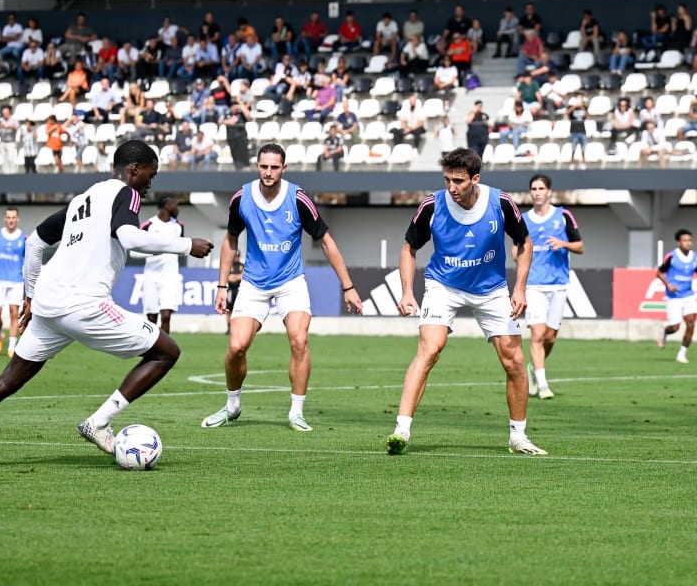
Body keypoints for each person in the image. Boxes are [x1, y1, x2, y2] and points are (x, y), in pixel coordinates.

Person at [0, 141, 214, 469]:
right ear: (133, 169)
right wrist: (186, 244)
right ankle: (99, 422)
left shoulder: (81, 201)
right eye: (149, 174)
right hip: (85, 305)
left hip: (48, 305)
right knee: (167, 352)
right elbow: (129, 237)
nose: (150, 183)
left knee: (7, 380)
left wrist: (29, 296)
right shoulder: (125, 194)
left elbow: (34, 243)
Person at [387, 147, 545, 456]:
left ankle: (518, 436)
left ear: (475, 178)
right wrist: (407, 291)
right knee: (430, 349)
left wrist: (521, 288)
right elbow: (409, 247)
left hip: (491, 288)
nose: (451, 188)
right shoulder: (431, 205)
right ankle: (401, 430)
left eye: (458, 181)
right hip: (443, 285)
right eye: (447, 180)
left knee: (513, 361)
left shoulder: (501, 202)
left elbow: (524, 243)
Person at [202, 143, 363, 432]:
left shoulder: (298, 198)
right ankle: (232, 405)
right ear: (257, 166)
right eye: (264, 166)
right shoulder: (241, 198)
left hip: (291, 282)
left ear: (284, 168)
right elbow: (230, 240)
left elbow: (326, 241)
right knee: (237, 346)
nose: (268, 172)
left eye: (274, 167)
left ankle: (296, 412)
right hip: (253, 282)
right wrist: (222, 285)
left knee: (299, 340)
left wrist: (348, 286)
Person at [523, 174, 584, 400]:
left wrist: (563, 244)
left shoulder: (563, 215)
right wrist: (518, 252)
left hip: (558, 284)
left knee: (550, 337)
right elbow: (517, 247)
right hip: (533, 284)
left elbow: (580, 246)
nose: (537, 192)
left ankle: (532, 368)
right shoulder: (523, 219)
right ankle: (542, 383)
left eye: (541, 188)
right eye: (534, 188)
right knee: (537, 334)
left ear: (549, 192)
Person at [139, 196, 185, 335]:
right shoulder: (148, 225)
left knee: (166, 315)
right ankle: (153, 347)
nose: (178, 208)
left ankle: (165, 350)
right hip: (151, 276)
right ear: (167, 205)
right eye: (175, 205)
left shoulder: (178, 226)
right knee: (152, 317)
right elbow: (136, 250)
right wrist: (154, 253)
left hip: (170, 276)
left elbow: (181, 248)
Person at [0, 207, 26, 358]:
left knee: (14, 313)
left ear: (18, 219)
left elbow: (28, 261)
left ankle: (12, 347)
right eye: (8, 217)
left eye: (13, 217)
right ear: (5, 218)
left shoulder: (24, 238)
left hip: (16, 280)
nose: (11, 220)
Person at [656, 229, 697, 365]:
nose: (688, 243)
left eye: (690, 240)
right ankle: (664, 332)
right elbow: (659, 273)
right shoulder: (671, 257)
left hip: (688, 295)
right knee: (675, 327)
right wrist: (668, 284)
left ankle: (682, 354)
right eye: (685, 240)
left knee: (691, 323)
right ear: (678, 242)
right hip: (674, 297)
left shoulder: (695, 257)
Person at [224, 249, 244, 333]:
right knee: (229, 309)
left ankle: (240, 327)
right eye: (234, 256)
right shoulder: (229, 266)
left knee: (241, 309)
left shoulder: (242, 266)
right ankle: (229, 327)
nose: (236, 258)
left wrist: (234, 277)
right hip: (231, 290)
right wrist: (237, 277)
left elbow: (244, 276)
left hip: (240, 290)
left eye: (237, 256)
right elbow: (227, 278)